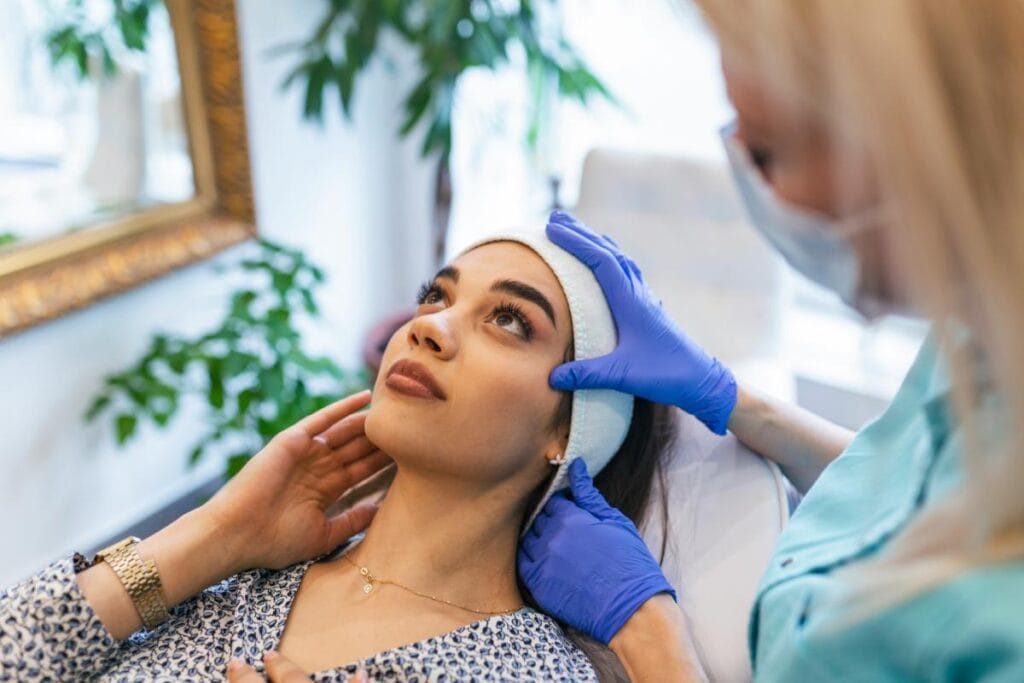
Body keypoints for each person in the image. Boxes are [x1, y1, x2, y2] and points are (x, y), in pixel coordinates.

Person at [518, 1, 1024, 681]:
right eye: (435, 292)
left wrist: (653, 639)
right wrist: (732, 398)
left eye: (765, 151)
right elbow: (915, 495)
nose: (426, 332)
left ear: (908, 152)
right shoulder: (984, 323)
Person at [0, 231, 686, 681]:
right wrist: (212, 536)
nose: (429, 326)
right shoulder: (244, 581)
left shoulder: (532, 672)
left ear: (568, 432)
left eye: (510, 320)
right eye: (436, 296)